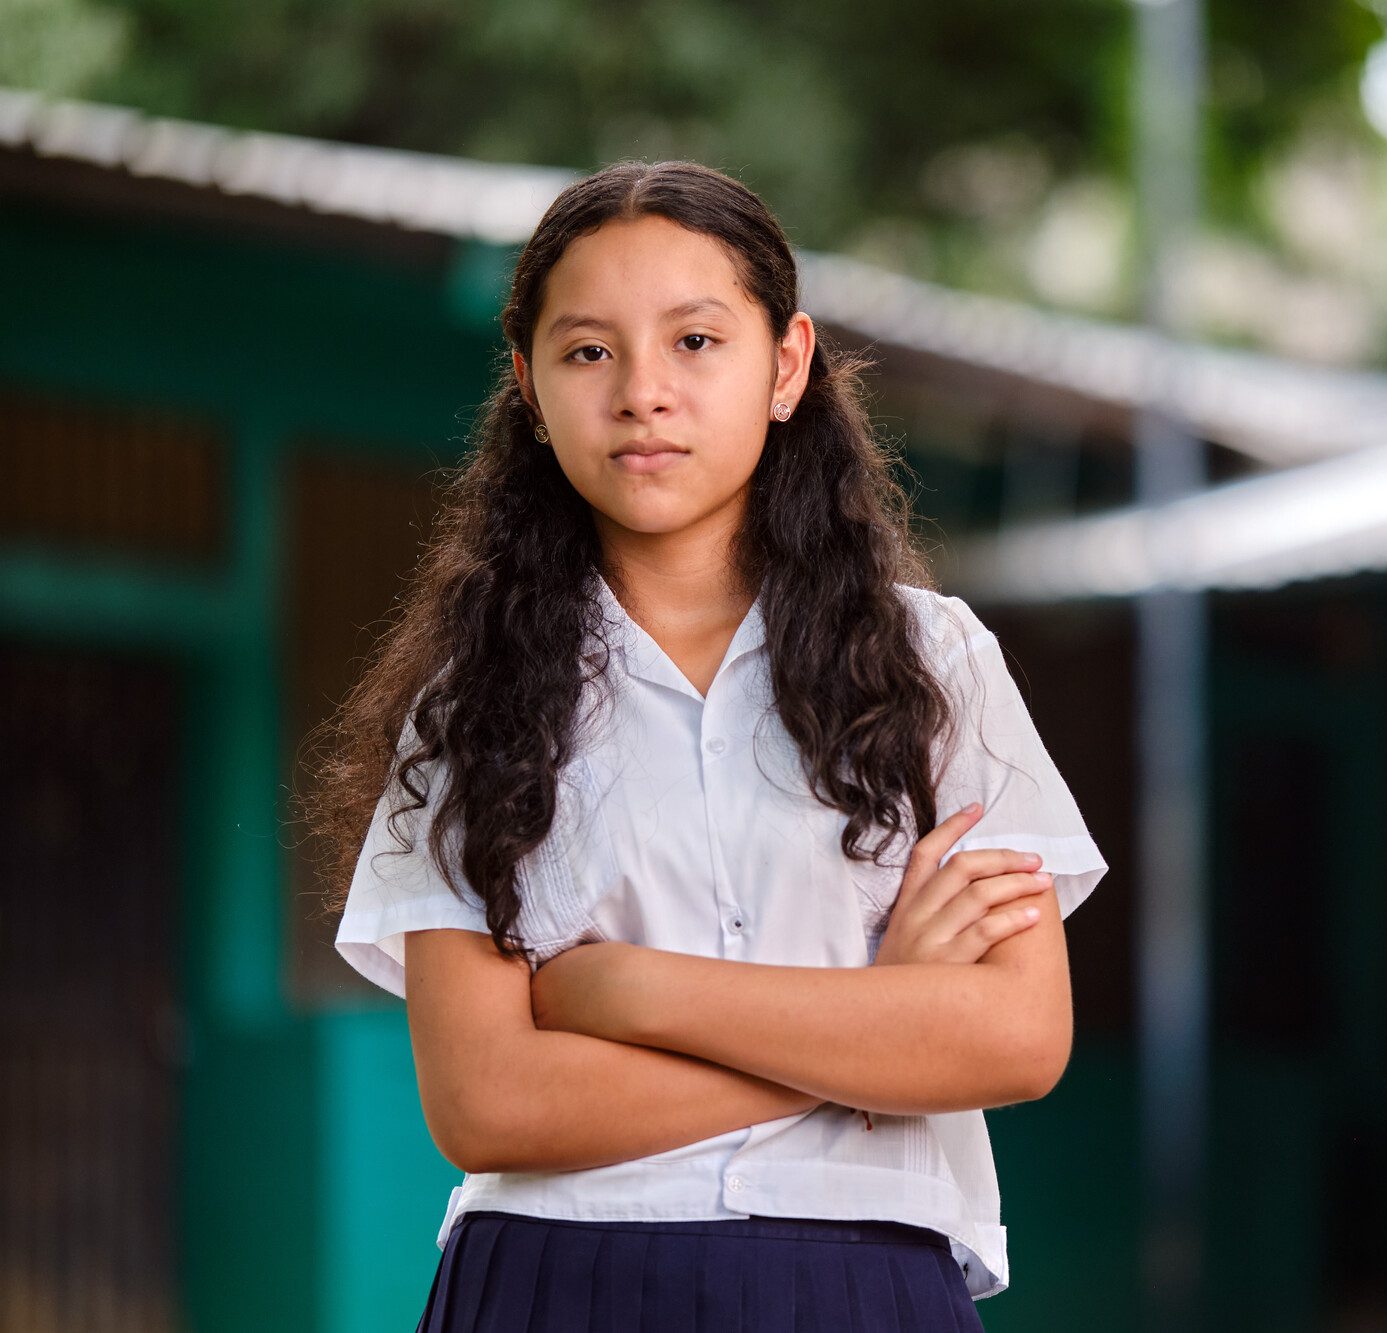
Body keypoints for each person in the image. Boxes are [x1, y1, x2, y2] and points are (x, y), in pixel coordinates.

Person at [299, 159, 1108, 1330]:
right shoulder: (470, 704)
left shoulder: (934, 664)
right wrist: (874, 1023)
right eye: (588, 351)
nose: (642, 392)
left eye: (695, 341)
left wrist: (630, 990)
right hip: (553, 1282)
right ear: (527, 387)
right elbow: (488, 1104)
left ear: (785, 365)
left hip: (867, 1286)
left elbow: (1015, 1036)